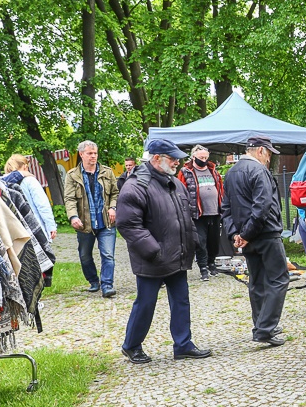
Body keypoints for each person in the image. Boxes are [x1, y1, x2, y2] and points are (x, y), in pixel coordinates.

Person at [116, 139, 211, 363]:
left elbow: (185, 216)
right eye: (172, 158)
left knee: (181, 300)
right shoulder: (136, 185)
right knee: (146, 303)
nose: (177, 162)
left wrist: (193, 241)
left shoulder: (174, 182)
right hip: (152, 258)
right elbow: (128, 224)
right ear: (156, 158)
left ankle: (183, 345)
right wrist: (153, 250)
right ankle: (131, 345)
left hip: (177, 255)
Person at [221, 137, 288, 346]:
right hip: (265, 234)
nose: (268, 159)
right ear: (260, 151)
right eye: (268, 154)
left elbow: (226, 208)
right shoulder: (259, 171)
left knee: (257, 282)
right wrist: (245, 235)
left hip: (247, 236)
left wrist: (236, 235)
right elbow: (262, 207)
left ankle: (261, 326)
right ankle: (265, 329)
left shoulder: (231, 173)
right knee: (279, 280)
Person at [64, 140, 120, 297]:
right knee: (85, 256)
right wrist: (73, 216)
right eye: (90, 153)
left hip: (106, 222)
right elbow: (69, 199)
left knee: (108, 254)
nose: (93, 156)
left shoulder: (107, 172)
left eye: (95, 153)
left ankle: (107, 285)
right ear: (81, 154)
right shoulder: (72, 176)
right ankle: (94, 281)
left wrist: (113, 207)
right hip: (84, 223)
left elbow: (115, 193)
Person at [177, 145, 225, 281]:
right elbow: (181, 192)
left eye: (205, 157)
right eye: (201, 157)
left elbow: (221, 188)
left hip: (214, 212)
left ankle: (211, 262)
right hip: (197, 214)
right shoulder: (186, 172)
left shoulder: (213, 171)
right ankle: (203, 267)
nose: (203, 160)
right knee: (201, 241)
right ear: (193, 157)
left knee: (214, 241)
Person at [2, 154, 57, 240]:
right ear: (24, 166)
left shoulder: (2, 183)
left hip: (13, 231)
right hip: (34, 227)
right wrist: (51, 226)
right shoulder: (30, 180)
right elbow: (42, 204)